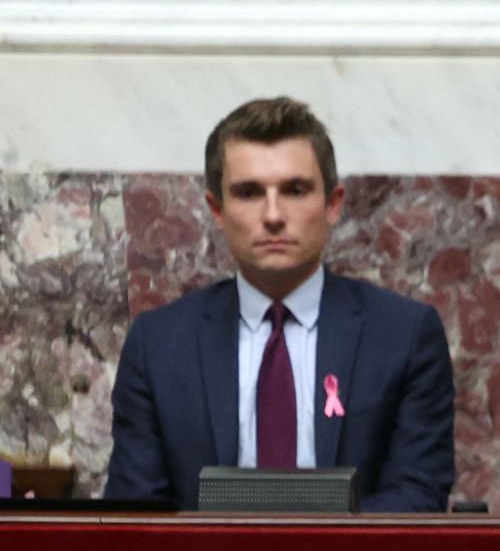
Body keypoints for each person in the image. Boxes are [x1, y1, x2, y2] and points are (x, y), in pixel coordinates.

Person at [104, 97, 455, 511]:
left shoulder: (404, 336)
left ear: (333, 203)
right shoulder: (159, 345)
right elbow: (136, 513)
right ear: (217, 209)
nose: (273, 215)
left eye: (295, 190)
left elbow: (417, 498)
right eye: (250, 192)